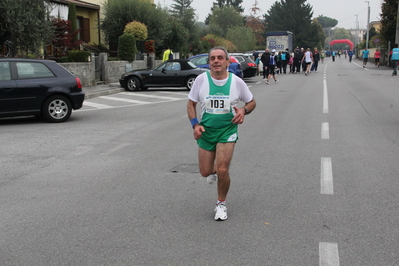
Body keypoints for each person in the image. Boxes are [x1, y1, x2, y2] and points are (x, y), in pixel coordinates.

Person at [187, 46, 256, 221]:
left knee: (223, 169)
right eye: (212, 58)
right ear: (209, 62)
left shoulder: (236, 82)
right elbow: (191, 104)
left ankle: (221, 204)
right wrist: (195, 125)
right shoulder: (201, 80)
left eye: (220, 58)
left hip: (227, 130)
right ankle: (214, 173)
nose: (216, 61)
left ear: (227, 62)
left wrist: (243, 111)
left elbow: (251, 102)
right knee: (206, 171)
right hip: (206, 131)